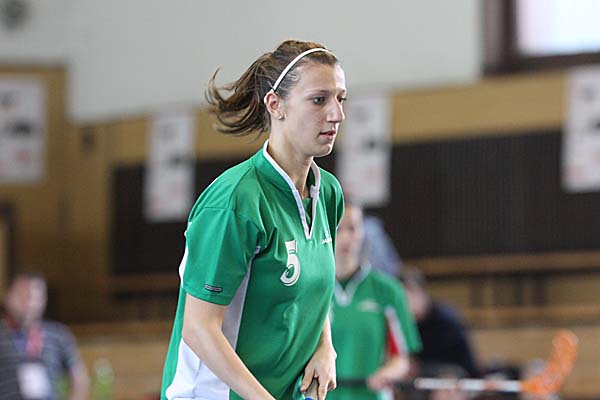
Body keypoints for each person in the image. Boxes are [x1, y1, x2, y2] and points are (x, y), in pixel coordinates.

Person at [161, 39, 346, 400]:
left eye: (341, 99)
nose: (336, 114)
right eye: (319, 99)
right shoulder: (235, 201)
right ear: (275, 105)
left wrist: (326, 345)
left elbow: (314, 290)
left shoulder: (328, 193)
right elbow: (198, 329)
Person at [329, 203, 422, 400]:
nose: (345, 237)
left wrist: (387, 373)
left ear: (363, 232)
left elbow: (402, 359)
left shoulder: (388, 290)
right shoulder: (312, 290)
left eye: (352, 228)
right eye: (338, 228)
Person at [0, 272, 90, 400]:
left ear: (44, 300)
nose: (29, 303)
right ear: (7, 297)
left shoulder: (59, 335)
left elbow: (79, 379)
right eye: (22, 296)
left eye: (34, 297)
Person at [401, 267, 480, 380]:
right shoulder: (409, 322)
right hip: (427, 373)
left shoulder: (445, 318)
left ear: (420, 293)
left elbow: (463, 364)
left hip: (457, 372)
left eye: (407, 298)